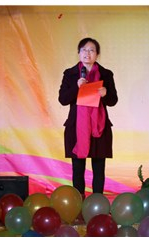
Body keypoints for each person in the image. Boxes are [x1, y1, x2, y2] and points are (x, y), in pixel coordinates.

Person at [59, 37, 118, 195]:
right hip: (77, 127)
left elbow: (113, 101)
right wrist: (76, 87)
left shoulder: (106, 74)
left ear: (97, 54)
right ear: (78, 53)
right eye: (84, 50)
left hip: (99, 127)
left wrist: (105, 94)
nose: (87, 53)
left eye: (91, 50)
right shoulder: (70, 74)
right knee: (78, 169)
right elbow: (63, 99)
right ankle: (79, 202)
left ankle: (98, 202)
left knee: (99, 169)